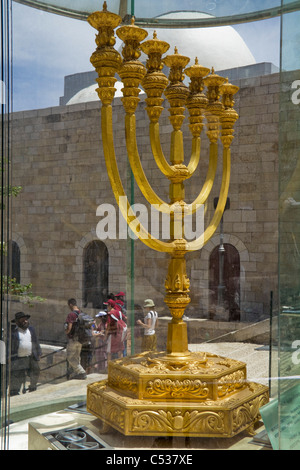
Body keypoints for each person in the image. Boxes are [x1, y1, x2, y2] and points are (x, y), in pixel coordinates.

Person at [10, 311, 42, 396]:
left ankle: (33, 387)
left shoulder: (31, 329)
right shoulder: (13, 332)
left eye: (26, 320)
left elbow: (35, 341)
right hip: (18, 358)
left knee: (35, 370)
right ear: (17, 322)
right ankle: (14, 392)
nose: (25, 321)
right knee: (17, 375)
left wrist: (38, 352)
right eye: (22, 320)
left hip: (30, 356)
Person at [64, 298, 87, 380]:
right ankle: (78, 373)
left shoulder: (71, 315)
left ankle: (81, 372)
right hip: (80, 339)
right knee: (76, 357)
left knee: (70, 358)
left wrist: (66, 332)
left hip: (73, 339)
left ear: (70, 304)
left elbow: (69, 327)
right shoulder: (81, 313)